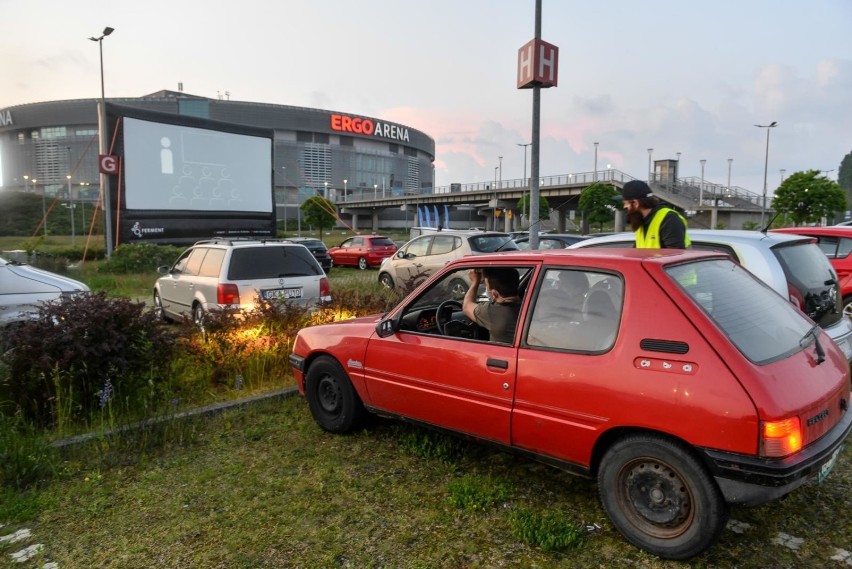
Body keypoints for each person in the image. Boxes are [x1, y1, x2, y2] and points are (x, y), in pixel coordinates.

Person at [616, 180, 691, 249]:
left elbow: (675, 257)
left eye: (625, 203)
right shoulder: (641, 222)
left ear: (635, 203)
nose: (624, 207)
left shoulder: (669, 219)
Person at [462, 267, 522, 344]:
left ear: (494, 293)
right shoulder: (532, 306)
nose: (486, 288)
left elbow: (467, 306)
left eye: (485, 285)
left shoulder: (492, 312)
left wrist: (475, 282)